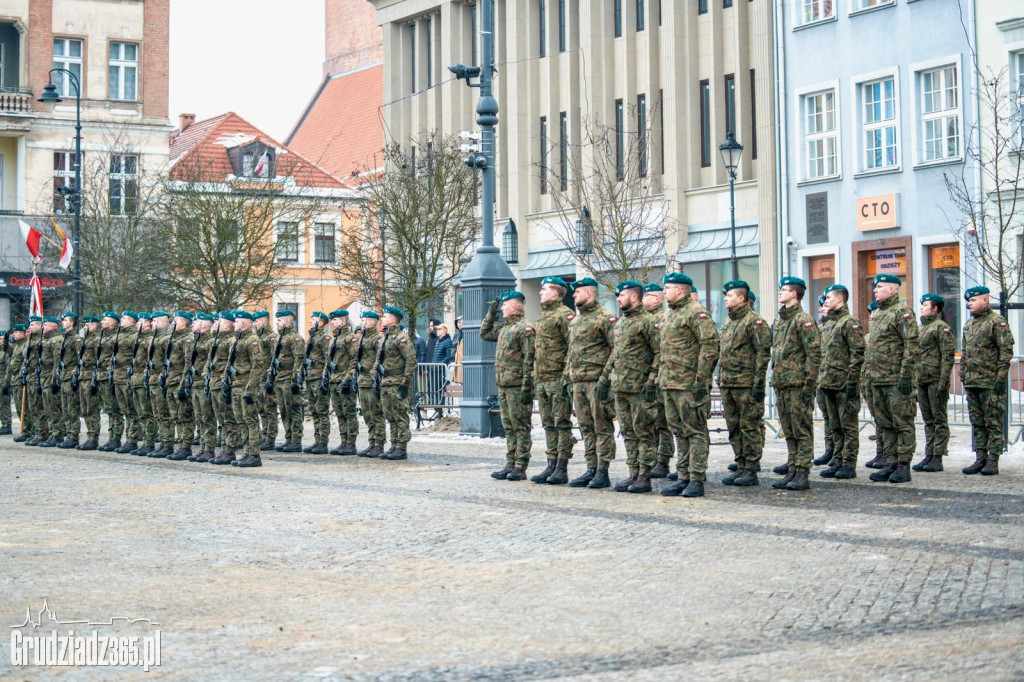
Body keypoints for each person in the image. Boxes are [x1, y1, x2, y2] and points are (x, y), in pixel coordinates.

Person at [658, 272, 719, 498]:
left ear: (680, 290)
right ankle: (683, 476)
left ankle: (696, 478)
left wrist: (702, 380)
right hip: (670, 383)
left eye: (667, 288)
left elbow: (710, 347)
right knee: (679, 432)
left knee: (695, 431)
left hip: (689, 384)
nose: (664, 292)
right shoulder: (668, 316)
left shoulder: (696, 313)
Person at [599, 280, 660, 494]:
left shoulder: (648, 321)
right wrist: (605, 379)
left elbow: (659, 353)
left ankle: (645, 475)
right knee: (627, 432)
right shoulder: (621, 323)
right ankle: (633, 472)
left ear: (634, 297)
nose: (618, 299)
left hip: (640, 388)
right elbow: (615, 354)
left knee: (643, 432)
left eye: (621, 295)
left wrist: (652, 381)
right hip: (621, 386)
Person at [865, 273, 919, 484]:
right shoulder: (878, 313)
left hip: (896, 379)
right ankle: (891, 461)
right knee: (885, 424)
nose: (875, 290)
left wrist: (906, 375)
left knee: (902, 423)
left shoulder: (902, 312)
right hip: (878, 378)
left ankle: (903, 465)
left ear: (892, 289)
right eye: (875, 287)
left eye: (879, 286)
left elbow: (911, 345)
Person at [770, 277, 821, 491]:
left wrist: (809, 385)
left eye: (783, 290)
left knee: (801, 429)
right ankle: (792, 468)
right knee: (789, 430)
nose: (779, 292)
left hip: (798, 384)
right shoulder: (781, 321)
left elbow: (814, 354)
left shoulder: (803, 320)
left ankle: (802, 471)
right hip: (782, 383)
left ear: (794, 294)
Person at [718, 280, 771, 487]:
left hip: (746, 384)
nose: (726, 299)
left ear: (741, 298)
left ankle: (751, 467)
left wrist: (758, 384)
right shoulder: (729, 321)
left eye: (730, 295)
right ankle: (740, 464)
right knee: (734, 427)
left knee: (749, 427)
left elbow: (762, 354)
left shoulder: (754, 321)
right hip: (728, 383)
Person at [565, 279, 617, 488]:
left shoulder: (605, 318)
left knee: (601, 426)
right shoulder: (576, 321)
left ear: (589, 293)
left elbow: (616, 350)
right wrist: (567, 377)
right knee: (586, 427)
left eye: (577, 292)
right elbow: (571, 352)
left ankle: (603, 470)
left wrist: (606, 379)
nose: (574, 295)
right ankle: (591, 468)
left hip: (597, 381)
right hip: (578, 382)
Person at [481, 290, 536, 480]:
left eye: (504, 305)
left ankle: (520, 466)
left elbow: (530, 359)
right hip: (504, 385)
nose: (502, 308)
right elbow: (485, 333)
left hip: (518, 386)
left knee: (520, 427)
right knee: (509, 427)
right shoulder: (505, 328)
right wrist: (491, 313)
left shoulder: (524, 328)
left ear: (513, 306)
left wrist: (527, 387)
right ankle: (510, 463)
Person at [960, 286, 1014, 476]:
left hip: (990, 382)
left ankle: (993, 459)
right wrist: (963, 374)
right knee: (977, 422)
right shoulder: (969, 324)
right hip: (972, 381)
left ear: (985, 300)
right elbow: (965, 352)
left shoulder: (996, 322)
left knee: (993, 422)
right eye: (969, 301)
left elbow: (1005, 351)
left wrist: (1000, 377)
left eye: (973, 300)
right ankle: (980, 457)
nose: (970, 304)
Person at [816, 284, 865, 480]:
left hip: (844, 383)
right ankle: (837, 459)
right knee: (834, 426)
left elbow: (857, 353)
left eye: (829, 297)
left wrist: (853, 381)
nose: (826, 301)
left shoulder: (849, 322)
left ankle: (849, 464)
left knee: (848, 426)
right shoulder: (828, 324)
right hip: (828, 382)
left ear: (840, 299)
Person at [529, 276, 574, 485]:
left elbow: (571, 348)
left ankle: (562, 467)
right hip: (543, 378)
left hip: (557, 379)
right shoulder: (544, 316)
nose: (540, 292)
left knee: (561, 423)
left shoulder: (564, 315)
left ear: (555, 293)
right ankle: (551, 463)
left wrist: (566, 376)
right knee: (548, 423)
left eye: (544, 289)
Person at [913, 293, 956, 473]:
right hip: (922, 379)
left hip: (935, 380)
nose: (921, 308)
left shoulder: (941, 327)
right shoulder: (921, 328)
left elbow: (947, 356)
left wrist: (943, 382)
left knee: (939, 420)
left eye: (925, 305)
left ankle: (938, 456)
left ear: (935, 308)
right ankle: (929, 454)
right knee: (928, 420)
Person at [642, 282, 674, 478]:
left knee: (662, 422)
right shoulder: (644, 319)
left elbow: (661, 351)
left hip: (659, 378)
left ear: (656, 299)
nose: (643, 299)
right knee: (650, 422)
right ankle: (653, 457)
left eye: (647, 296)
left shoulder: (662, 319)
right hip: (645, 379)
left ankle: (663, 460)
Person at [375, 306, 417, 460]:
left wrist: (405, 383)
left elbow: (411, 360)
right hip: (386, 382)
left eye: (384, 317)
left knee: (400, 415)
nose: (382, 319)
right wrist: (375, 378)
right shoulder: (385, 338)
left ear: (392, 320)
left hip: (397, 382)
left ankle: (401, 447)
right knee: (390, 415)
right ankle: (394, 445)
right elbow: (378, 361)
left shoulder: (401, 338)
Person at [229, 311, 265, 467]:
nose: (234, 324)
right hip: (236, 385)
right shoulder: (237, 340)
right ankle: (246, 452)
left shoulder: (252, 340)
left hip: (246, 386)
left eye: (236, 322)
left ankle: (254, 454)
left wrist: (250, 389)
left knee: (250, 420)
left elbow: (258, 366)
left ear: (244, 324)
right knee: (241, 421)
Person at [271, 310, 305, 453]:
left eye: (279, 320)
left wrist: (295, 380)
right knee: (284, 410)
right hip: (279, 378)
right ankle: (289, 438)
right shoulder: (279, 338)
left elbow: (299, 358)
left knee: (293, 409)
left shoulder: (295, 338)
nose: (277, 323)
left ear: (286, 321)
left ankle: (296, 440)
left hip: (289, 379)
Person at [325, 309, 358, 455]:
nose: (332, 323)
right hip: (334, 380)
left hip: (344, 380)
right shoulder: (334, 339)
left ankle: (351, 443)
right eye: (331, 320)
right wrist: (326, 376)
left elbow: (354, 360)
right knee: (339, 413)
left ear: (343, 321)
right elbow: (329, 361)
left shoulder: (350, 338)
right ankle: (343, 441)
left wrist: (348, 378)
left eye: (335, 320)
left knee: (348, 412)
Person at [165, 311, 196, 460]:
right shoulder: (174, 338)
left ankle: (186, 447)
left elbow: (188, 364)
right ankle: (180, 445)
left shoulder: (187, 339)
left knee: (185, 416)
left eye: (175, 321)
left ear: (183, 323)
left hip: (179, 382)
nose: (172, 324)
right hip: (171, 380)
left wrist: (183, 385)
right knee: (176, 416)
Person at [356, 311, 387, 457]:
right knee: (367, 415)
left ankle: (379, 444)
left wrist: (375, 377)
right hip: (363, 381)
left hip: (372, 381)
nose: (361, 323)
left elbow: (379, 359)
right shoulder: (363, 338)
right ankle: (372, 442)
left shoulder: (377, 339)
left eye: (364, 320)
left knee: (376, 414)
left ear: (372, 322)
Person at [812, 294, 834, 467]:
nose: (823, 309)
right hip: (821, 378)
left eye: (825, 306)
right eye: (822, 307)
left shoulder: (840, 325)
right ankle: (829, 449)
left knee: (838, 420)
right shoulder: (820, 329)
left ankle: (840, 453)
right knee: (827, 417)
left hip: (835, 379)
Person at [304, 312, 330, 454]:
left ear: (320, 323)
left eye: (313, 319)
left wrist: (325, 377)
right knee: (314, 411)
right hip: (310, 378)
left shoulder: (324, 338)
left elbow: (328, 359)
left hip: (319, 378)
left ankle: (323, 442)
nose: (309, 321)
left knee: (321, 411)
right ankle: (317, 440)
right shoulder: (312, 338)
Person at [57, 312, 83, 449]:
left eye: (66, 320)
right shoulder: (65, 338)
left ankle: (73, 436)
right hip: (63, 375)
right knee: (65, 408)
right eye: (63, 320)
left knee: (72, 408)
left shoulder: (76, 339)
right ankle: (69, 434)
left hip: (70, 376)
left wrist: (75, 375)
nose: (63, 322)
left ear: (72, 323)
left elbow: (80, 359)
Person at [75, 317, 101, 450]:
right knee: (85, 409)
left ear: (94, 325)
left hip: (90, 377)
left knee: (91, 408)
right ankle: (90, 436)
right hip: (83, 376)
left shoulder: (96, 340)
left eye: (87, 325)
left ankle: (93, 438)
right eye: (84, 325)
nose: (84, 327)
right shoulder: (85, 340)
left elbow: (98, 360)